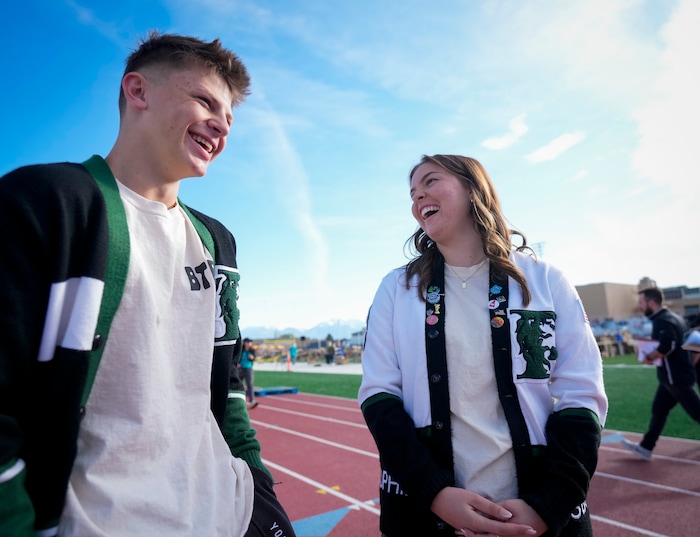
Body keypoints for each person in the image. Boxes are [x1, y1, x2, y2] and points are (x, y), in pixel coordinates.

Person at [0, 31, 296, 537]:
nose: (222, 126)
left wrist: (258, 480)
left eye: (229, 117)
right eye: (205, 100)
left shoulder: (217, 240)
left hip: (235, 508)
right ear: (137, 91)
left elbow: (222, 384)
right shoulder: (45, 202)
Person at [358, 154, 608, 537]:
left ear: (474, 188)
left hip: (538, 509)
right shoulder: (397, 289)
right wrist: (435, 492)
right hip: (426, 512)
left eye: (430, 181)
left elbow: (582, 394)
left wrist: (550, 504)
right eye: (412, 193)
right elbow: (378, 396)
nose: (417, 197)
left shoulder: (545, 281)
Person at [621, 288, 700, 460]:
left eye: (641, 303)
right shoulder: (677, 318)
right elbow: (694, 345)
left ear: (651, 302)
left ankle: (646, 446)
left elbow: (667, 346)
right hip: (672, 378)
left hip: (675, 379)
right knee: (659, 410)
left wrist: (647, 357)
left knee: (697, 412)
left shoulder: (662, 320)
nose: (640, 307)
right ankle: (646, 447)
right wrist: (689, 366)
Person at [240, 338, 259, 409]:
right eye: (247, 342)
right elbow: (236, 357)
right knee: (237, 384)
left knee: (250, 385)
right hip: (240, 369)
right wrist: (238, 363)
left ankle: (252, 401)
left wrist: (252, 357)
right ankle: (238, 399)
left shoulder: (252, 350)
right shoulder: (241, 350)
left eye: (250, 342)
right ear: (244, 343)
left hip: (249, 369)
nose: (249, 344)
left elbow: (254, 358)